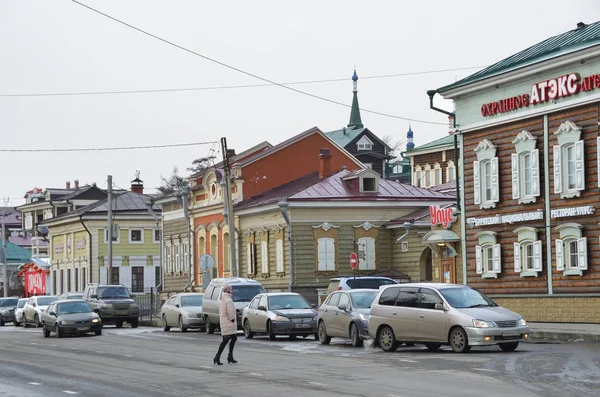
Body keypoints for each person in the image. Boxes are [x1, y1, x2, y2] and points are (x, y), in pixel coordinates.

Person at [213, 284, 238, 365]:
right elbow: (230, 311)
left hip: (224, 322)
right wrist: (232, 319)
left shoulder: (223, 300)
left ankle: (229, 356)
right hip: (229, 323)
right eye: (231, 290)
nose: (232, 291)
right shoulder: (229, 300)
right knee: (226, 340)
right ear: (229, 291)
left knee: (233, 338)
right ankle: (218, 356)